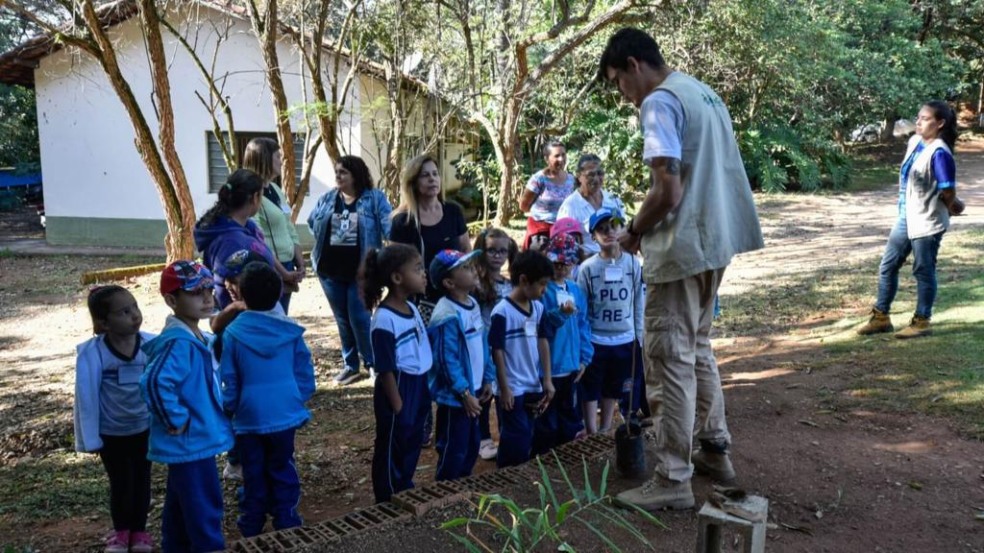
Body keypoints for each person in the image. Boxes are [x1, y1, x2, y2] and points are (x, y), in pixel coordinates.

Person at [598, 28, 765, 511]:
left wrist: (632, 230)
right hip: (716, 240)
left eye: (617, 83)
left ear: (633, 65)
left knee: (669, 354)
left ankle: (672, 476)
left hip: (684, 245)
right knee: (695, 347)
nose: (622, 96)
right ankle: (715, 449)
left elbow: (667, 192)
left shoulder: (659, 102)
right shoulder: (702, 92)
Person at [140, 261, 234, 551]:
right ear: (171, 300)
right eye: (195, 292)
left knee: (181, 506)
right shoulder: (178, 343)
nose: (207, 297)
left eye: (208, 289)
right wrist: (175, 419)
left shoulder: (196, 337)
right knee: (204, 505)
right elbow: (154, 382)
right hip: (190, 441)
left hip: (194, 440)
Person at [220, 262, 315, 537]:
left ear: (241, 297)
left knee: (253, 470)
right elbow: (303, 368)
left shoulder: (233, 334)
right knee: (282, 464)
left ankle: (251, 522)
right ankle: (286, 518)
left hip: (249, 417)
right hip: (284, 411)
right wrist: (299, 396)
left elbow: (230, 377)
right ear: (277, 296)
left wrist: (230, 407)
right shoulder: (290, 330)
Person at [857, 100, 965, 339]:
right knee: (888, 265)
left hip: (927, 221)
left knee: (923, 270)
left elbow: (948, 189)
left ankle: (922, 320)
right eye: (918, 117)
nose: (918, 122)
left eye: (925, 119)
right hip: (907, 216)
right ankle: (881, 317)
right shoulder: (915, 142)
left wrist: (952, 205)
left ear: (940, 123)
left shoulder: (940, 152)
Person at [75, 286, 155, 553]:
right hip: (112, 433)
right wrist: (90, 436)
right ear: (103, 322)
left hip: (143, 428)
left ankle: (140, 533)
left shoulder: (150, 345)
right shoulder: (96, 353)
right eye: (124, 311)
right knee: (121, 482)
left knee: (142, 480)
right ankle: (121, 532)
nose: (134, 315)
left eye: (134, 307)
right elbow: (86, 395)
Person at [309, 155, 393, 386]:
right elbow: (312, 222)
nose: (338, 176)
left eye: (343, 172)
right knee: (342, 319)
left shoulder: (373, 199)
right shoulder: (328, 198)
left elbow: (389, 228)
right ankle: (350, 366)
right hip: (329, 271)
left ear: (356, 174)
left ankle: (373, 363)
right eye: (336, 172)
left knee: (359, 317)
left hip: (361, 273)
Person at [360, 244, 433, 502]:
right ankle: (388, 495)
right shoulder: (383, 319)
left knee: (412, 439)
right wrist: (399, 406)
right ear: (397, 278)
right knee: (393, 444)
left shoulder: (412, 308)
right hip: (398, 388)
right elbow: (386, 368)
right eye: (417, 269)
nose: (424, 274)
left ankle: (404, 485)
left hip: (417, 384)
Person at [426, 249, 495, 481]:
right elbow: (446, 359)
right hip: (457, 398)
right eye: (465, 268)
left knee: (471, 443)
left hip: (474, 389)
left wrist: (487, 376)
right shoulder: (446, 314)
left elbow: (483, 342)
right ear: (449, 282)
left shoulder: (472, 303)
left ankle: (461, 486)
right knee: (453, 446)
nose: (474, 269)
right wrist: (463, 392)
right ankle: (445, 491)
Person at [575, 209, 643, 435]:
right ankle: (591, 430)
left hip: (624, 336)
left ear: (622, 229)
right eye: (601, 229)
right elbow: (582, 309)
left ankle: (605, 428)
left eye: (614, 226)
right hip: (596, 338)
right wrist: (582, 341)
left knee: (613, 387)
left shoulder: (633, 264)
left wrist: (638, 335)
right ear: (593, 236)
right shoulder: (588, 268)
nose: (609, 232)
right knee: (591, 386)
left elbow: (638, 302)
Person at [489, 250, 555, 468]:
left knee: (529, 431)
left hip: (532, 383)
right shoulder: (502, 312)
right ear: (524, 280)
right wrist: (504, 388)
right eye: (542, 284)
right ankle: (507, 475)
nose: (544, 291)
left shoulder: (538, 308)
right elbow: (497, 351)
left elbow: (543, 342)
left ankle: (520, 472)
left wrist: (547, 378)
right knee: (515, 436)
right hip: (513, 387)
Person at [390, 154, 471, 320]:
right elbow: (393, 265)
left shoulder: (453, 211)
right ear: (413, 182)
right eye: (425, 175)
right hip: (420, 300)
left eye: (435, 174)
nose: (432, 179)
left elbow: (466, 250)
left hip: (455, 295)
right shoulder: (402, 221)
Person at [534, 234, 592, 454]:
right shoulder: (542, 291)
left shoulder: (575, 290)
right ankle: (543, 457)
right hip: (547, 367)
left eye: (565, 263)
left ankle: (567, 456)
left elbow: (583, 324)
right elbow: (541, 325)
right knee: (545, 417)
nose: (560, 268)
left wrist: (585, 357)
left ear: (573, 263)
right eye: (555, 263)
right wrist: (560, 313)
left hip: (571, 365)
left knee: (569, 413)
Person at [194, 169, 279, 309]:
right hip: (246, 319)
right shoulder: (231, 242)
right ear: (255, 197)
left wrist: (285, 276)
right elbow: (238, 290)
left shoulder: (244, 227)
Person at [472, 228, 518, 461]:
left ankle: (504, 434)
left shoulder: (510, 285)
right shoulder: (475, 284)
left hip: (505, 347)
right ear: (481, 250)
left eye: (502, 251)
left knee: (502, 390)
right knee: (483, 393)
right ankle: (483, 438)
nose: (497, 256)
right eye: (491, 251)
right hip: (482, 346)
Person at [244, 137, 305, 313]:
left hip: (287, 266)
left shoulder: (275, 190)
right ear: (263, 159)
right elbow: (257, 240)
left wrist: (300, 263)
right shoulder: (251, 193)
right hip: (269, 268)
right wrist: (283, 273)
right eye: (277, 156)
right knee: (270, 318)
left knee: (281, 315)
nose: (282, 161)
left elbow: (289, 227)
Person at [557, 154, 626, 256]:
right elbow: (565, 245)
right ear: (579, 176)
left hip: (615, 260)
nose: (596, 179)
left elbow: (623, 232)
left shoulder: (614, 201)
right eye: (591, 175)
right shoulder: (569, 207)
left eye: (600, 173)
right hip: (585, 264)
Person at [519, 141, 575, 249]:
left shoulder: (571, 179)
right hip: (541, 232)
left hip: (563, 231)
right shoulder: (539, 179)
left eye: (563, 155)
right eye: (556, 156)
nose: (561, 159)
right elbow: (524, 206)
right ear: (547, 159)